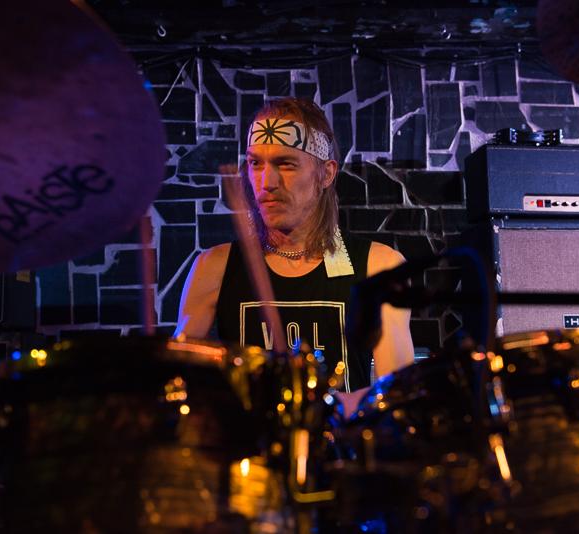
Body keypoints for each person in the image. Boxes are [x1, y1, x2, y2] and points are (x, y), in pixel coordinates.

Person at [175, 97, 413, 396]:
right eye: (255, 163)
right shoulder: (215, 268)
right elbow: (174, 381)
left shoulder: (379, 267)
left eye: (285, 164)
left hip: (338, 428)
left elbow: (398, 394)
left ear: (326, 173)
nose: (266, 182)